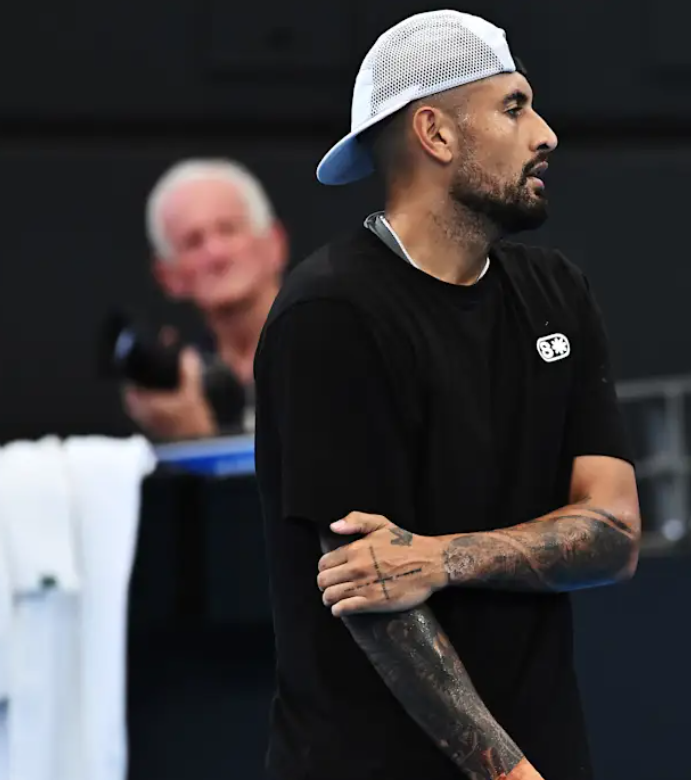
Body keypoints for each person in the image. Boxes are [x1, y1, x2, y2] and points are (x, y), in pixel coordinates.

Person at [252, 10, 640, 780]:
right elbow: (372, 596)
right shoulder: (330, 315)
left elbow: (614, 534)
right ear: (435, 133)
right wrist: (512, 776)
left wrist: (444, 559)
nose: (546, 134)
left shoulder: (558, 294)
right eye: (514, 107)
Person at [123, 158, 287, 440]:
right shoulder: (179, 388)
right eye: (193, 242)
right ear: (167, 275)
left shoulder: (338, 346)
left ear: (275, 243)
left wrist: (196, 438)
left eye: (228, 229)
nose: (216, 254)